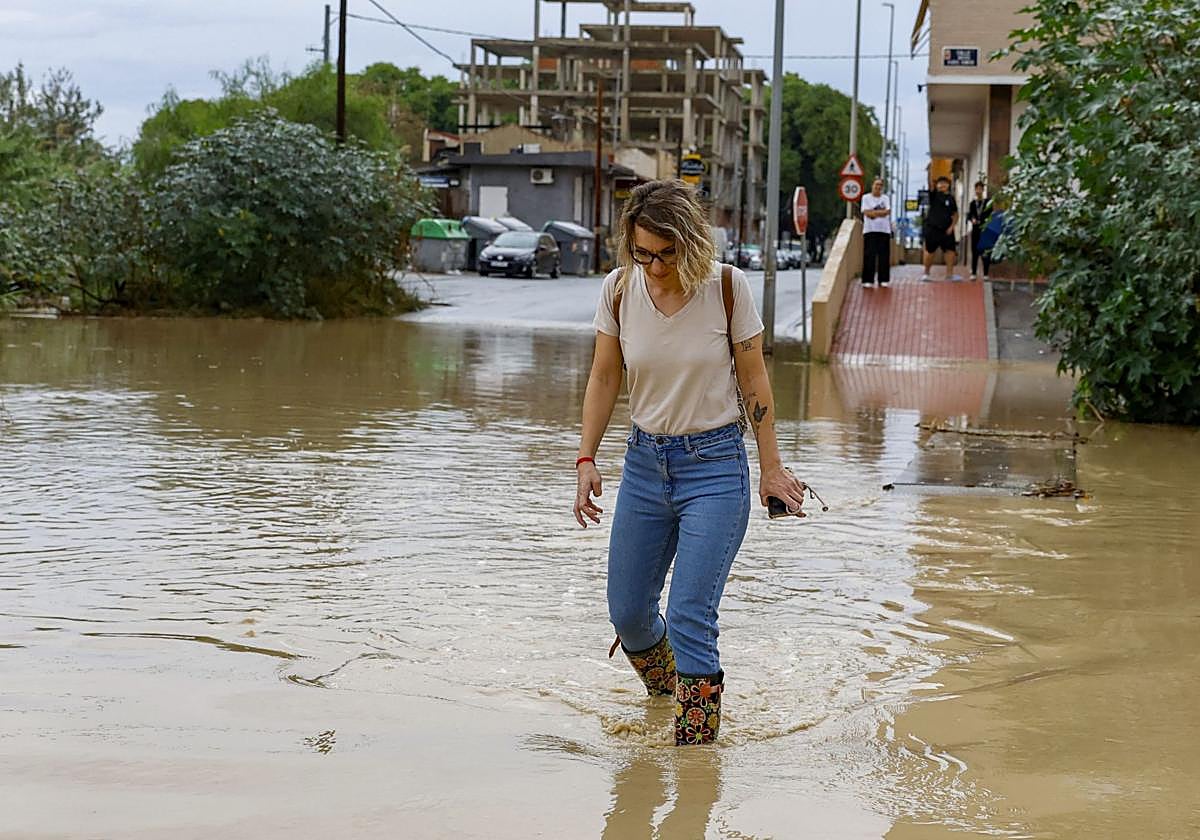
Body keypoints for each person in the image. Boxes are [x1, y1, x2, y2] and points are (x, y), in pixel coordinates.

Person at [573, 179, 809, 746]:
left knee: (688, 614)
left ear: (691, 243)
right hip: (644, 465)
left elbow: (754, 377)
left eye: (666, 253)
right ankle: (668, 698)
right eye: (642, 252)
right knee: (628, 612)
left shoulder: (726, 288)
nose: (653, 266)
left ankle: (695, 755)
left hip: (715, 468)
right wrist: (586, 458)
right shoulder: (618, 289)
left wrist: (772, 466)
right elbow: (606, 375)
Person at [921, 176, 960, 282]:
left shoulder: (951, 198)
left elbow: (956, 214)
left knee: (950, 251)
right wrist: (930, 176)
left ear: (948, 185)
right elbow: (930, 185)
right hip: (932, 228)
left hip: (947, 230)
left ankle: (949, 275)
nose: (942, 185)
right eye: (940, 183)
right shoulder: (934, 195)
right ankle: (926, 273)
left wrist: (952, 227)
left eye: (945, 183)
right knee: (930, 251)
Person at [860, 177, 892, 287]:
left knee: (884, 256)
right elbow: (866, 212)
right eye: (876, 184)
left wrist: (874, 213)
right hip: (870, 230)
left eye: (880, 185)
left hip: (884, 230)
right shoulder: (866, 198)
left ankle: (883, 279)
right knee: (869, 255)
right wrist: (879, 213)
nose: (878, 187)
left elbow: (887, 211)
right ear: (872, 186)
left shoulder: (885, 198)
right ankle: (867, 280)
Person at [967, 181, 993, 281]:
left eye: (980, 189)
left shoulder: (987, 202)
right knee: (975, 251)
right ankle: (973, 272)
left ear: (983, 190)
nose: (978, 191)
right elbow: (970, 214)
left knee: (985, 252)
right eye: (977, 189)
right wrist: (972, 219)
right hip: (975, 230)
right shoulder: (973, 203)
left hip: (985, 230)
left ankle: (986, 273)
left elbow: (990, 214)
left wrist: (986, 221)